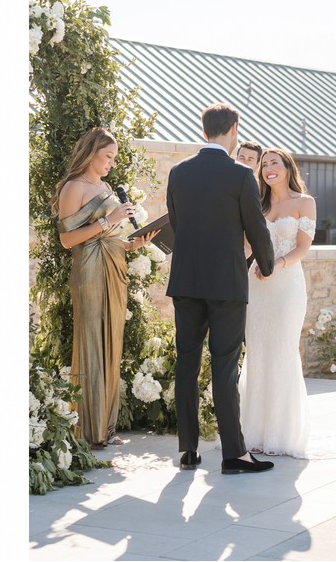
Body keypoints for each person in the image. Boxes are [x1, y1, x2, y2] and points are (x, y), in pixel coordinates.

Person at [167, 103, 276, 474]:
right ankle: (234, 454)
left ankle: (188, 451)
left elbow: (178, 225)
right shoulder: (241, 175)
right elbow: (256, 227)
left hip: (186, 281)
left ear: (203, 132)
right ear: (233, 129)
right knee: (224, 367)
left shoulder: (178, 173)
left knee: (186, 364)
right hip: (227, 283)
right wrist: (266, 265)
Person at [53, 127, 157, 449]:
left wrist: (134, 244)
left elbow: (110, 236)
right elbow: (67, 239)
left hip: (115, 265)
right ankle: (88, 429)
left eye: (114, 158)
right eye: (107, 156)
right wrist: (106, 220)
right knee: (92, 341)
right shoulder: (73, 187)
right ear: (91, 153)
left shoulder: (107, 186)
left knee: (112, 340)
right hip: (89, 269)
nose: (111, 163)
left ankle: (106, 428)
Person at [238, 148, 317, 457]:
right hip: (256, 286)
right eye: (265, 164)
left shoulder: (304, 203)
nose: (269, 168)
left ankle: (281, 435)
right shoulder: (256, 205)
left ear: (287, 167)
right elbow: (246, 246)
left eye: (275, 163)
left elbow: (302, 248)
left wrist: (276, 266)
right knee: (257, 352)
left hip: (286, 286)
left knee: (282, 351)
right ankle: (254, 432)